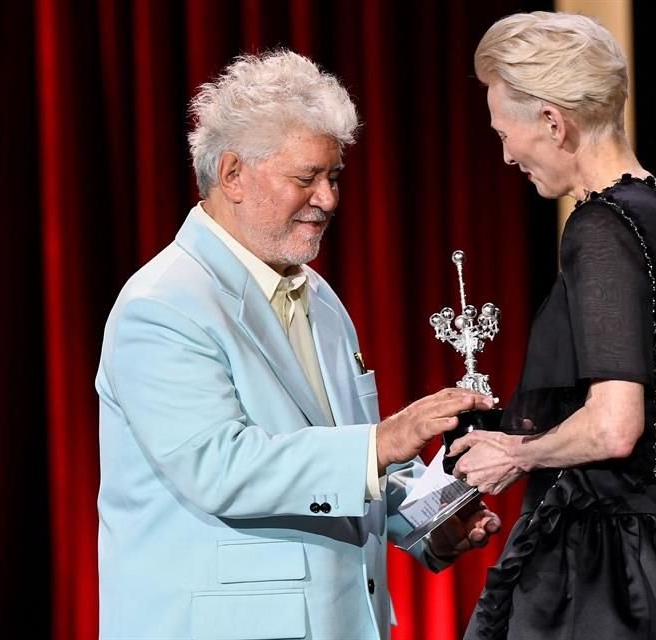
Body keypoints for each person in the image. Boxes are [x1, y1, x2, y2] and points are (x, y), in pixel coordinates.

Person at [95, 49, 501, 640]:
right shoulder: (161, 306)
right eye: (305, 178)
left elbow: (346, 452)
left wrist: (426, 520)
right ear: (232, 174)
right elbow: (221, 467)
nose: (328, 199)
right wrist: (383, 441)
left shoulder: (318, 295)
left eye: (333, 177)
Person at [448, 12, 656, 639]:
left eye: (504, 132)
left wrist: (518, 454)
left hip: (614, 577)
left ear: (553, 120)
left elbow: (615, 424)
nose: (504, 154)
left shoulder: (600, 229)